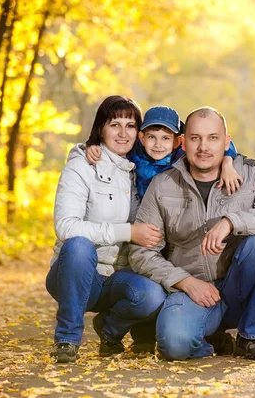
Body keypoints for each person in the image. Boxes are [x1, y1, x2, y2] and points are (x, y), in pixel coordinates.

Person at [129, 106, 255, 361]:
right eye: (195, 138)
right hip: (192, 290)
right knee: (175, 345)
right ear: (183, 142)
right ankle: (212, 339)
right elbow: (141, 252)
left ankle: (250, 336)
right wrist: (184, 281)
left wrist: (232, 221)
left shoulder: (252, 175)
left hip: (237, 287)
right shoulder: (163, 184)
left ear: (226, 142)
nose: (203, 147)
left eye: (213, 138)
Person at [46, 95, 167, 363]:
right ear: (101, 128)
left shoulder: (141, 170)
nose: (123, 133)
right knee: (78, 244)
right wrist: (129, 232)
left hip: (117, 278)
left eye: (130, 125)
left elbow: (189, 146)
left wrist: (229, 161)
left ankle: (109, 329)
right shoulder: (82, 165)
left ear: (139, 133)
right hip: (76, 274)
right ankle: (67, 340)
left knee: (151, 295)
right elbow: (66, 226)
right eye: (115, 124)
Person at [86, 106, 243, 198]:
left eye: (166, 139)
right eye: (152, 137)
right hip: (143, 213)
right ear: (141, 137)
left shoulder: (182, 156)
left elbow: (221, 141)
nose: (158, 145)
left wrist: (228, 163)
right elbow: (113, 145)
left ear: (178, 141)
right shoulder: (135, 152)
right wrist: (92, 144)